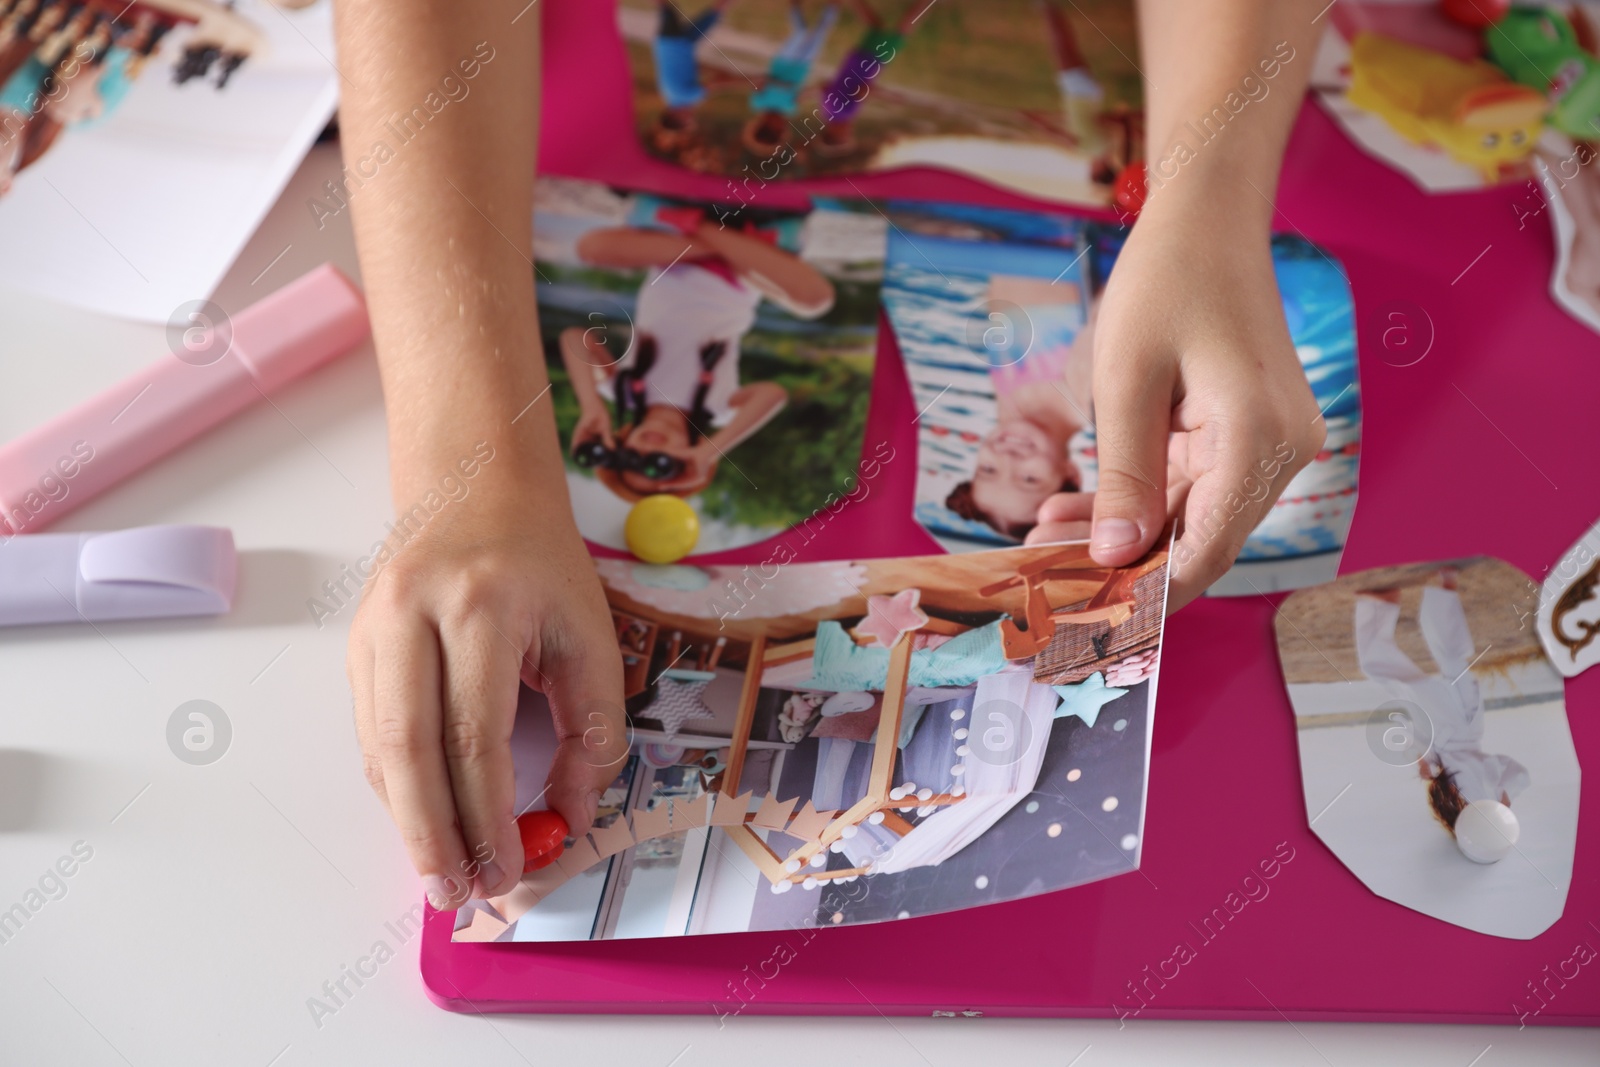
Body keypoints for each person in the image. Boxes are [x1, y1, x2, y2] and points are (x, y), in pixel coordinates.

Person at [330, 0, 1329, 908]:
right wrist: (467, 476)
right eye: (666, 456)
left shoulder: (668, 380)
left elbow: (712, 304)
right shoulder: (714, 380)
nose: (662, 446)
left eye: (649, 451)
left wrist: (1211, 205)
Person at [558, 208, 828, 501]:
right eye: (659, 464)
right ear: (689, 457)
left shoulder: (620, 389)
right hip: (738, 274)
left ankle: (714, 233)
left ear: (621, 441)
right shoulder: (719, 407)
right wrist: (710, 451)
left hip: (676, 257)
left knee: (590, 248)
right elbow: (772, 395)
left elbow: (575, 338)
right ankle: (719, 233)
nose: (647, 449)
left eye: (631, 456)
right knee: (816, 301)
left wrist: (590, 405)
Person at [1353, 568, 1530, 833]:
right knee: (1451, 658)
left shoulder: (1453, 801)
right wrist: (1506, 800)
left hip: (1439, 729)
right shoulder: (1493, 800)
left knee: (1386, 672)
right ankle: (1444, 586)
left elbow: (1439, 759)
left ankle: (1382, 605)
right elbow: (1519, 773)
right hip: (1463, 726)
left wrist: (1424, 763)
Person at [815, 0, 932, 155]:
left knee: (903, 30)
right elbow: (823, 86)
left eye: (846, 136)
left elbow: (863, 89)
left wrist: (890, 97)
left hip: (871, 62)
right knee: (876, 26)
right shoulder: (826, 111)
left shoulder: (846, 113)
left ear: (835, 133)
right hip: (854, 61)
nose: (850, 133)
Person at [743, 0, 837, 155]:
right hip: (804, 65)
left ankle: (794, 5)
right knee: (821, 32)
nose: (784, 126)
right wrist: (820, 90)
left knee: (800, 33)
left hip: (784, 61)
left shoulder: (758, 102)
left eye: (779, 129)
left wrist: (779, 84)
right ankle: (833, 5)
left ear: (767, 124)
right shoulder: (789, 108)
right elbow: (804, 94)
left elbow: (761, 79)